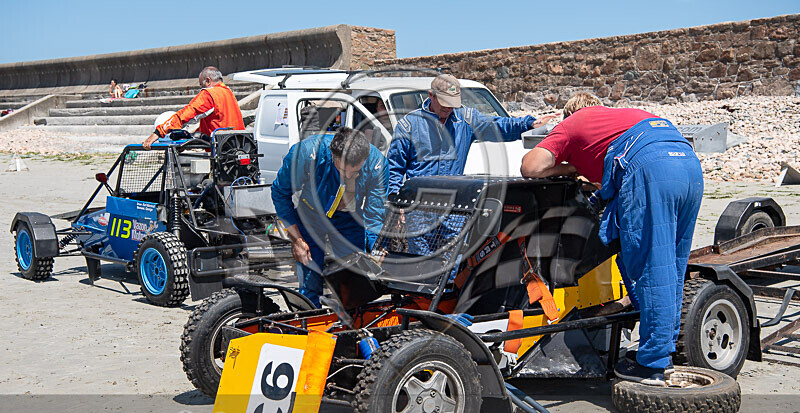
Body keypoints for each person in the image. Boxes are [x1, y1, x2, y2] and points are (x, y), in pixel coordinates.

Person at [520, 92, 704, 386]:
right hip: (688, 166)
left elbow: (530, 166)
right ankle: (660, 352)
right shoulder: (626, 116)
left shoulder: (572, 123)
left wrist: (569, 168)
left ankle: (652, 366)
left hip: (649, 167)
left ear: (571, 114)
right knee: (671, 265)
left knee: (650, 267)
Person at [271, 128, 389, 307]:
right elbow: (280, 193)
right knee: (310, 278)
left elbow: (374, 215)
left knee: (354, 279)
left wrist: (376, 251)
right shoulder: (306, 153)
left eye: (355, 171)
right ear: (334, 155)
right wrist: (296, 239)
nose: (348, 176)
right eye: (342, 170)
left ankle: (354, 324)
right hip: (310, 216)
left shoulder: (377, 165)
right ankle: (309, 320)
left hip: (349, 220)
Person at [387, 73, 556, 196]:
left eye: (452, 104)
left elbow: (498, 125)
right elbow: (394, 167)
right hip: (418, 206)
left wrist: (528, 124)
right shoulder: (408, 125)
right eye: (444, 103)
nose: (448, 108)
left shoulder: (466, 119)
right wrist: (394, 197)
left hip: (453, 203)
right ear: (431, 96)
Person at [142, 66, 244, 149]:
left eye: (201, 85)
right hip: (238, 145)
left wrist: (158, 133)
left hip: (220, 149)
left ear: (208, 81)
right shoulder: (228, 92)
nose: (202, 88)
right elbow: (218, 121)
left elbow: (186, 113)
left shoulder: (209, 94)